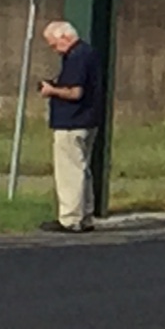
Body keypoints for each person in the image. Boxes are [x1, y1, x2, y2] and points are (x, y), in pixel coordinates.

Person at [37, 19, 102, 233]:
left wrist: (51, 91)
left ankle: (70, 218)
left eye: (54, 45)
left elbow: (75, 92)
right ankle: (86, 215)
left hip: (72, 121)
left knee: (70, 171)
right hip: (88, 119)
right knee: (83, 169)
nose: (55, 50)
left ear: (65, 37)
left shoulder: (76, 57)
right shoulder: (89, 53)